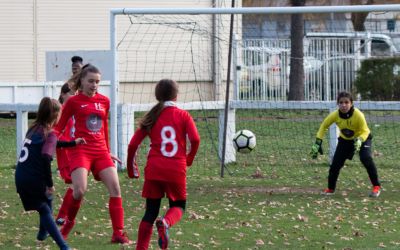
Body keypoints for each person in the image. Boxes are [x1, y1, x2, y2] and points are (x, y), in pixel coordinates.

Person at [54, 64, 132, 244]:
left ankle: (118, 233)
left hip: (100, 151)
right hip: (80, 150)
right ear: (81, 80)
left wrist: (107, 151)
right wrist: (50, 142)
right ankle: (68, 224)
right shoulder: (73, 102)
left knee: (115, 188)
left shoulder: (104, 101)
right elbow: (59, 127)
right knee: (79, 190)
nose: (94, 85)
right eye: (91, 81)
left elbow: (103, 127)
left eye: (97, 82)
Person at [126, 79, 200, 250]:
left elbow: (132, 145)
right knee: (179, 206)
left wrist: (132, 169)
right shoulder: (183, 115)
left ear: (157, 96)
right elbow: (195, 139)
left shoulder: (153, 116)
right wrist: (189, 158)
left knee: (150, 212)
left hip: (154, 168)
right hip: (175, 168)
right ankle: (166, 223)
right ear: (176, 95)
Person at [15, 97, 70, 250]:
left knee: (46, 202)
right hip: (33, 179)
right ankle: (64, 246)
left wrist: (72, 143)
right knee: (44, 208)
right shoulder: (50, 134)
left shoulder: (34, 128)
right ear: (55, 115)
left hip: (21, 175)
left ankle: (42, 233)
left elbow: (50, 144)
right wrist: (50, 184)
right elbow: (46, 157)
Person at [310, 91, 381, 197]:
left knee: (366, 158)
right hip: (345, 141)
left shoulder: (358, 115)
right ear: (338, 104)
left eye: (346, 102)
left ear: (351, 103)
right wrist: (318, 142)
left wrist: (360, 140)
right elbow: (323, 126)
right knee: (335, 165)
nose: (343, 105)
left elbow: (365, 131)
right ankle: (330, 189)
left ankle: (376, 186)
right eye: (341, 102)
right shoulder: (335, 115)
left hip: (363, 138)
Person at [55, 83, 85, 226]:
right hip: (66, 150)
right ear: (62, 94)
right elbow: (55, 132)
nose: (73, 96)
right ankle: (62, 216)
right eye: (70, 93)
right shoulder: (60, 111)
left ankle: (63, 215)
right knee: (75, 184)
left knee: (76, 184)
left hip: (76, 150)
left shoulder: (74, 110)